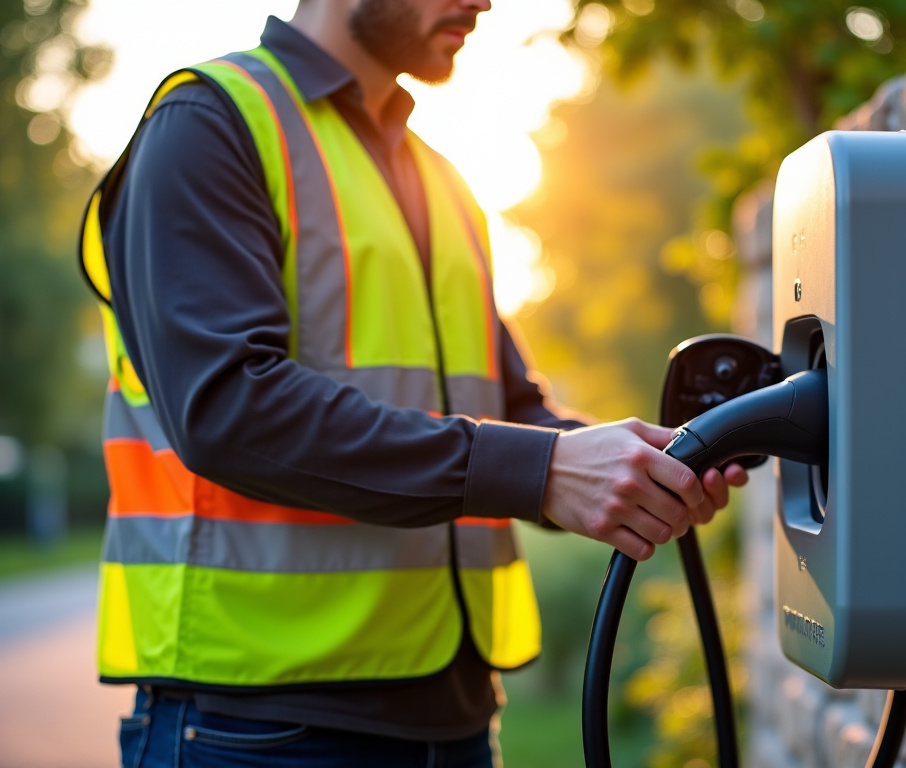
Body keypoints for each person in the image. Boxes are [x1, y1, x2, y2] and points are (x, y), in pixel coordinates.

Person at [78, 1, 747, 765]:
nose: (486, 2)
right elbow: (229, 409)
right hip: (258, 726)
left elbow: (509, 408)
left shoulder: (443, 178)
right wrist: (543, 470)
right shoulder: (209, 126)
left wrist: (635, 464)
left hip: (453, 718)